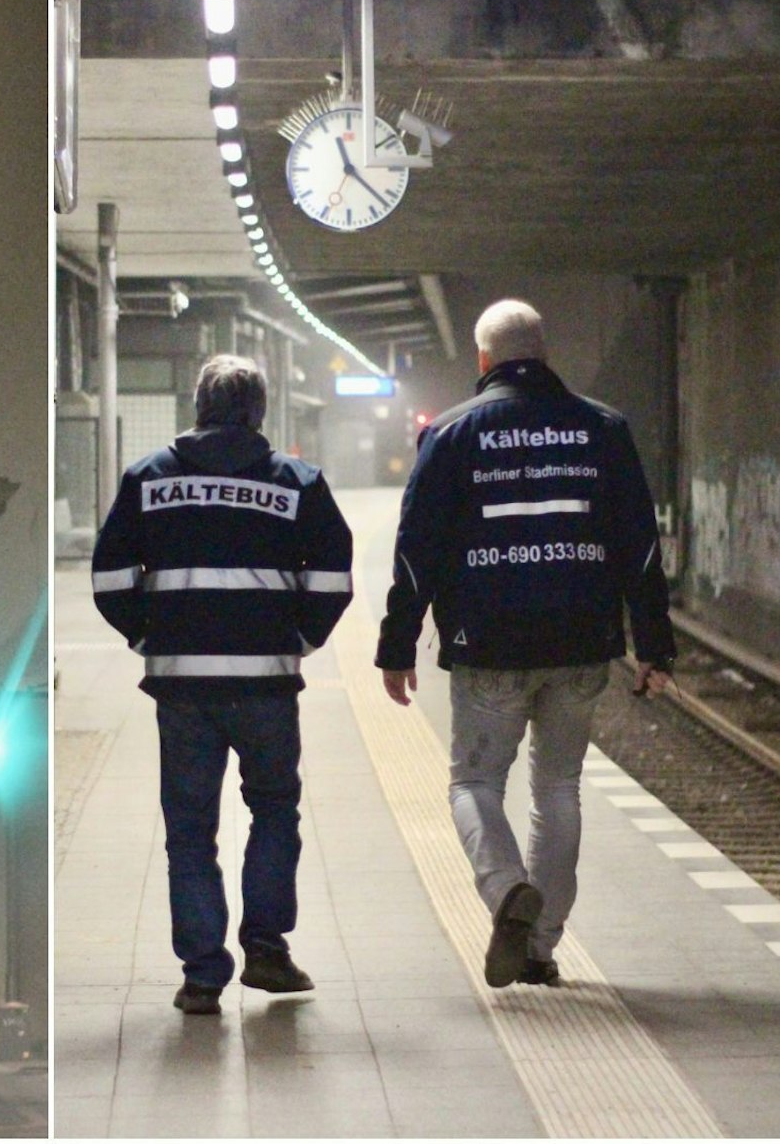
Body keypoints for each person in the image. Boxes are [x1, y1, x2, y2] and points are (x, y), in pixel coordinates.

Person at [376, 299, 675, 988]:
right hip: (580, 642)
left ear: (483, 360)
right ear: (543, 354)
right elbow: (640, 548)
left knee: (474, 780)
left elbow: (416, 551)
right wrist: (653, 644)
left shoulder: (452, 433)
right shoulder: (603, 428)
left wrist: (396, 645)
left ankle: (506, 885)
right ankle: (540, 946)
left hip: (489, 644)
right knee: (559, 787)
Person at [92, 355, 353, 1015]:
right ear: (260, 411)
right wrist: (299, 639)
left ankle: (203, 973)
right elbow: (331, 579)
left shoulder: (147, 479)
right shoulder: (298, 483)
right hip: (265, 683)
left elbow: (110, 580)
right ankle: (266, 951)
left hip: (182, 687)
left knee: (189, 829)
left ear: (198, 406)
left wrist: (149, 637)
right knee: (272, 810)